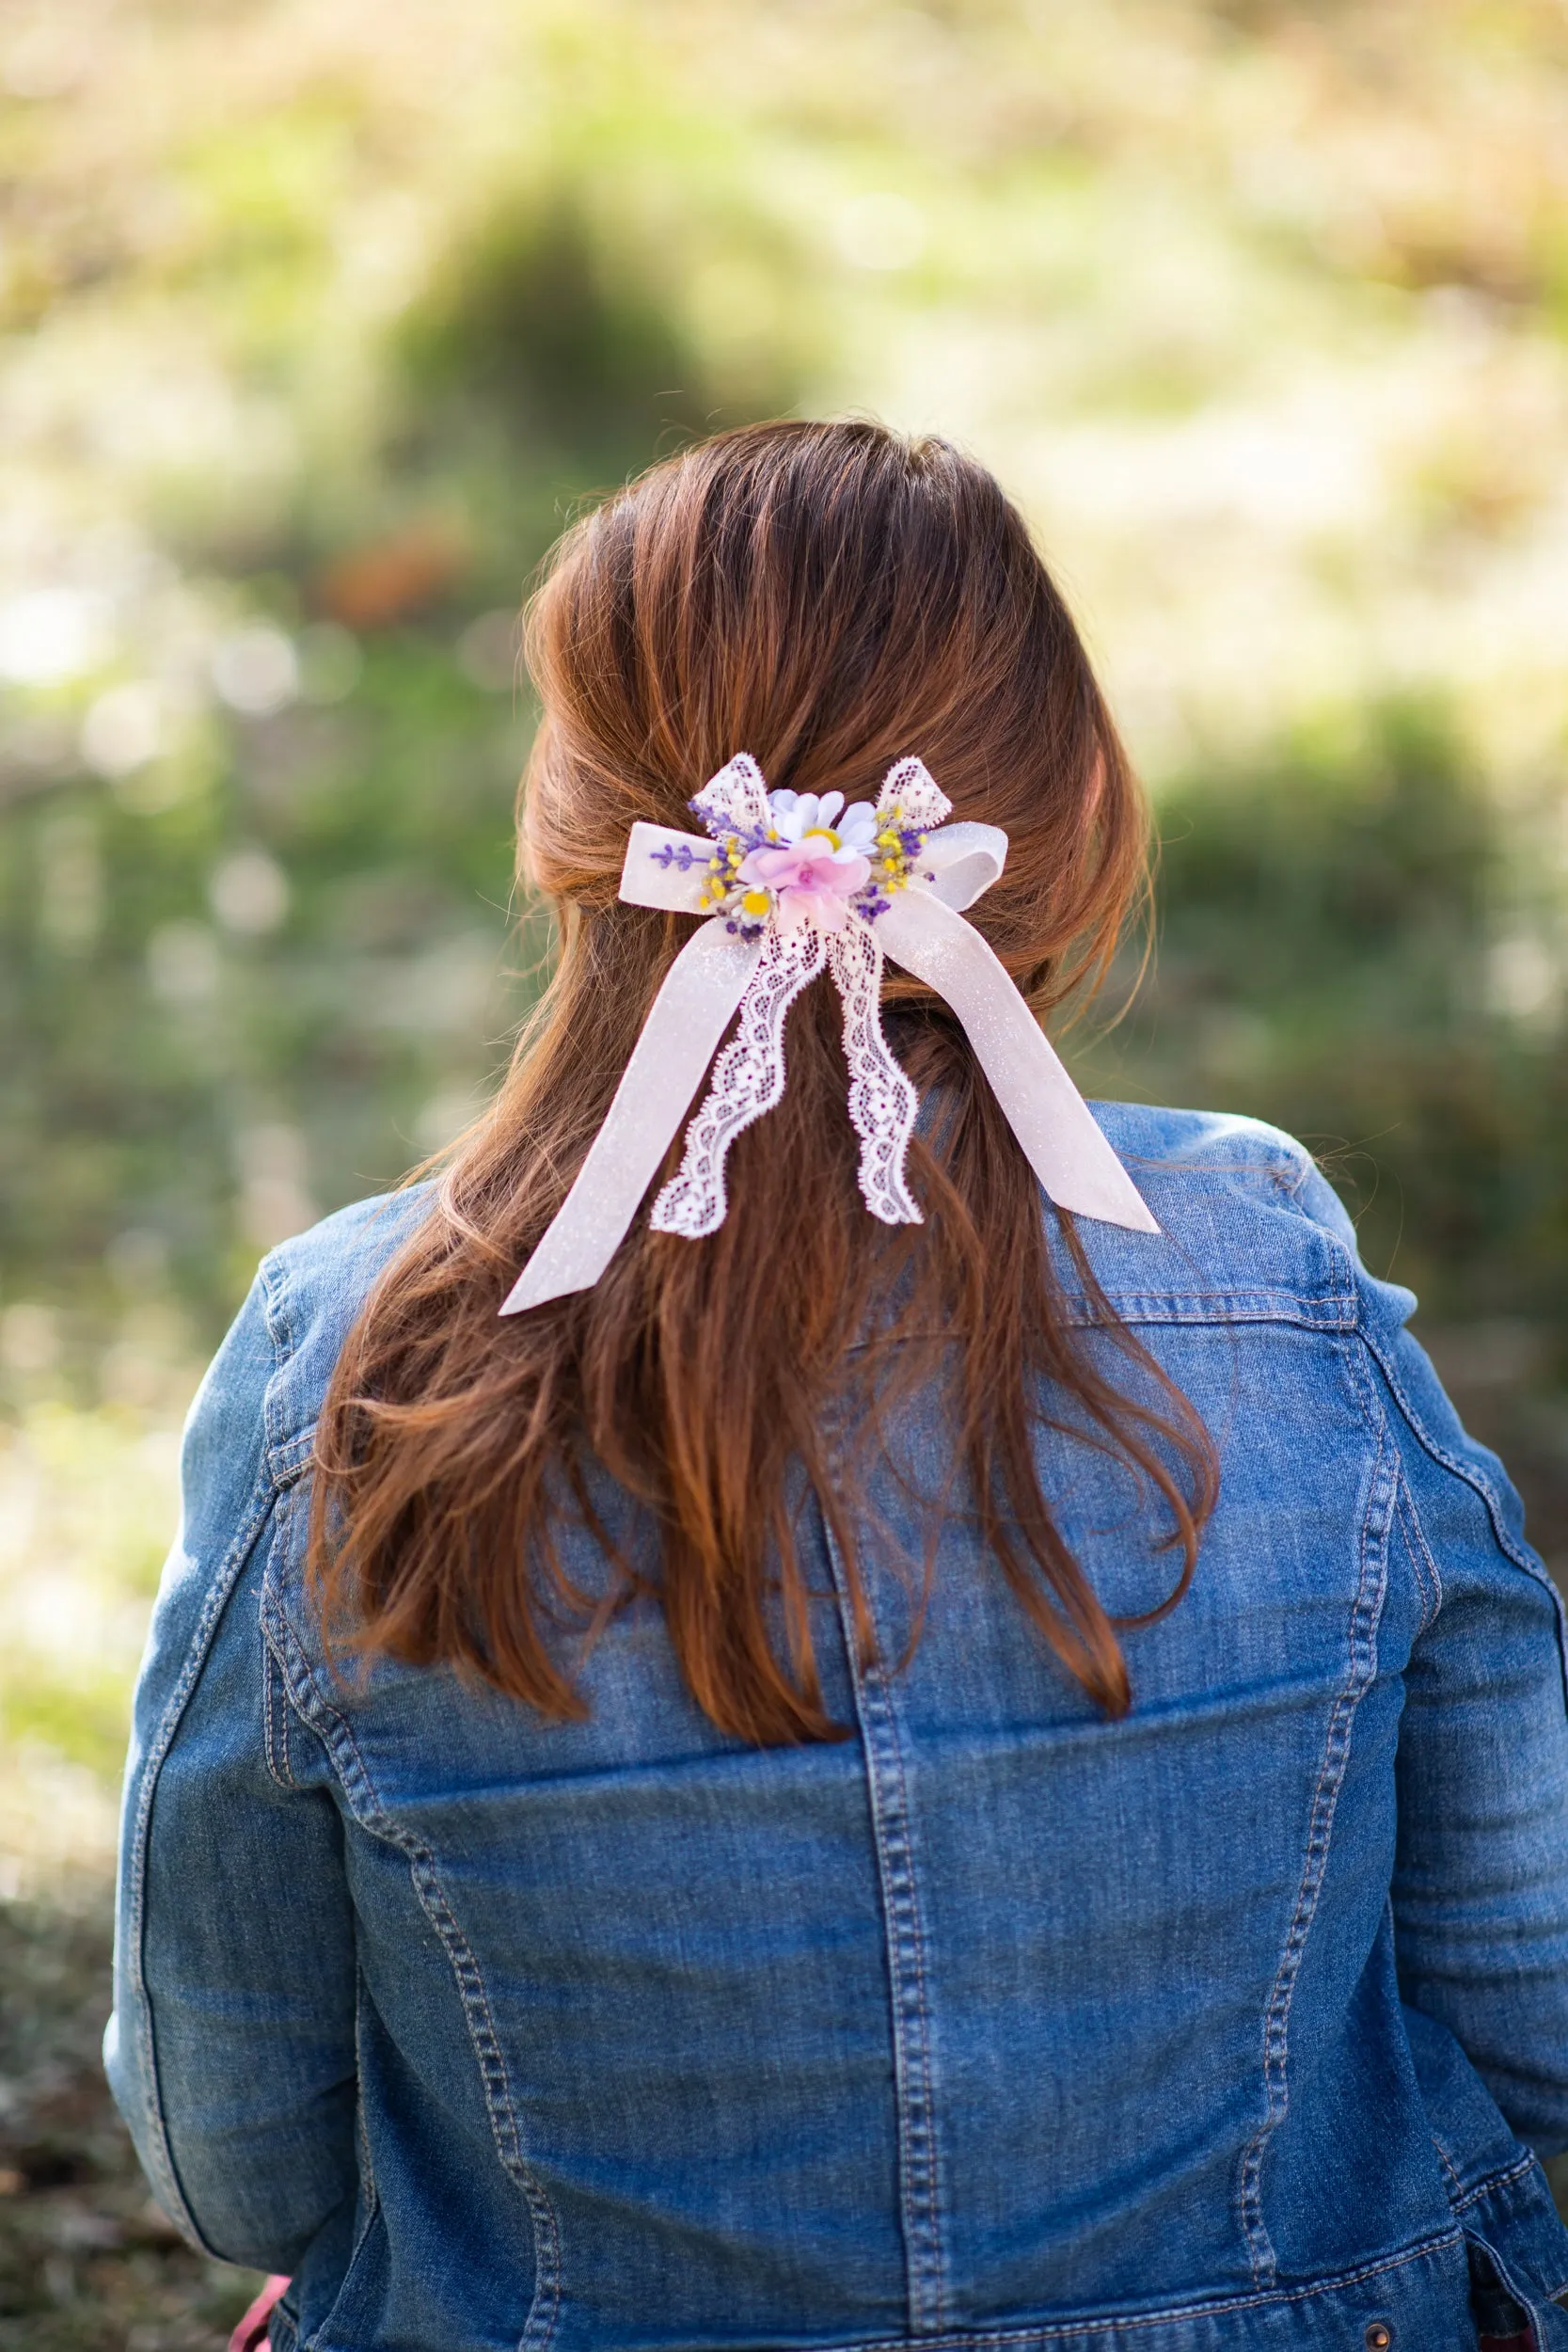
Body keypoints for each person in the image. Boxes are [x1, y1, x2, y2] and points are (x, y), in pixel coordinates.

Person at [107, 421, 1568, 2351]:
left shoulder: (351, 1357)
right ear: (1069, 817)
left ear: (577, 826)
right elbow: (1527, 1983)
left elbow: (237, 2160)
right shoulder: (1271, 1265)